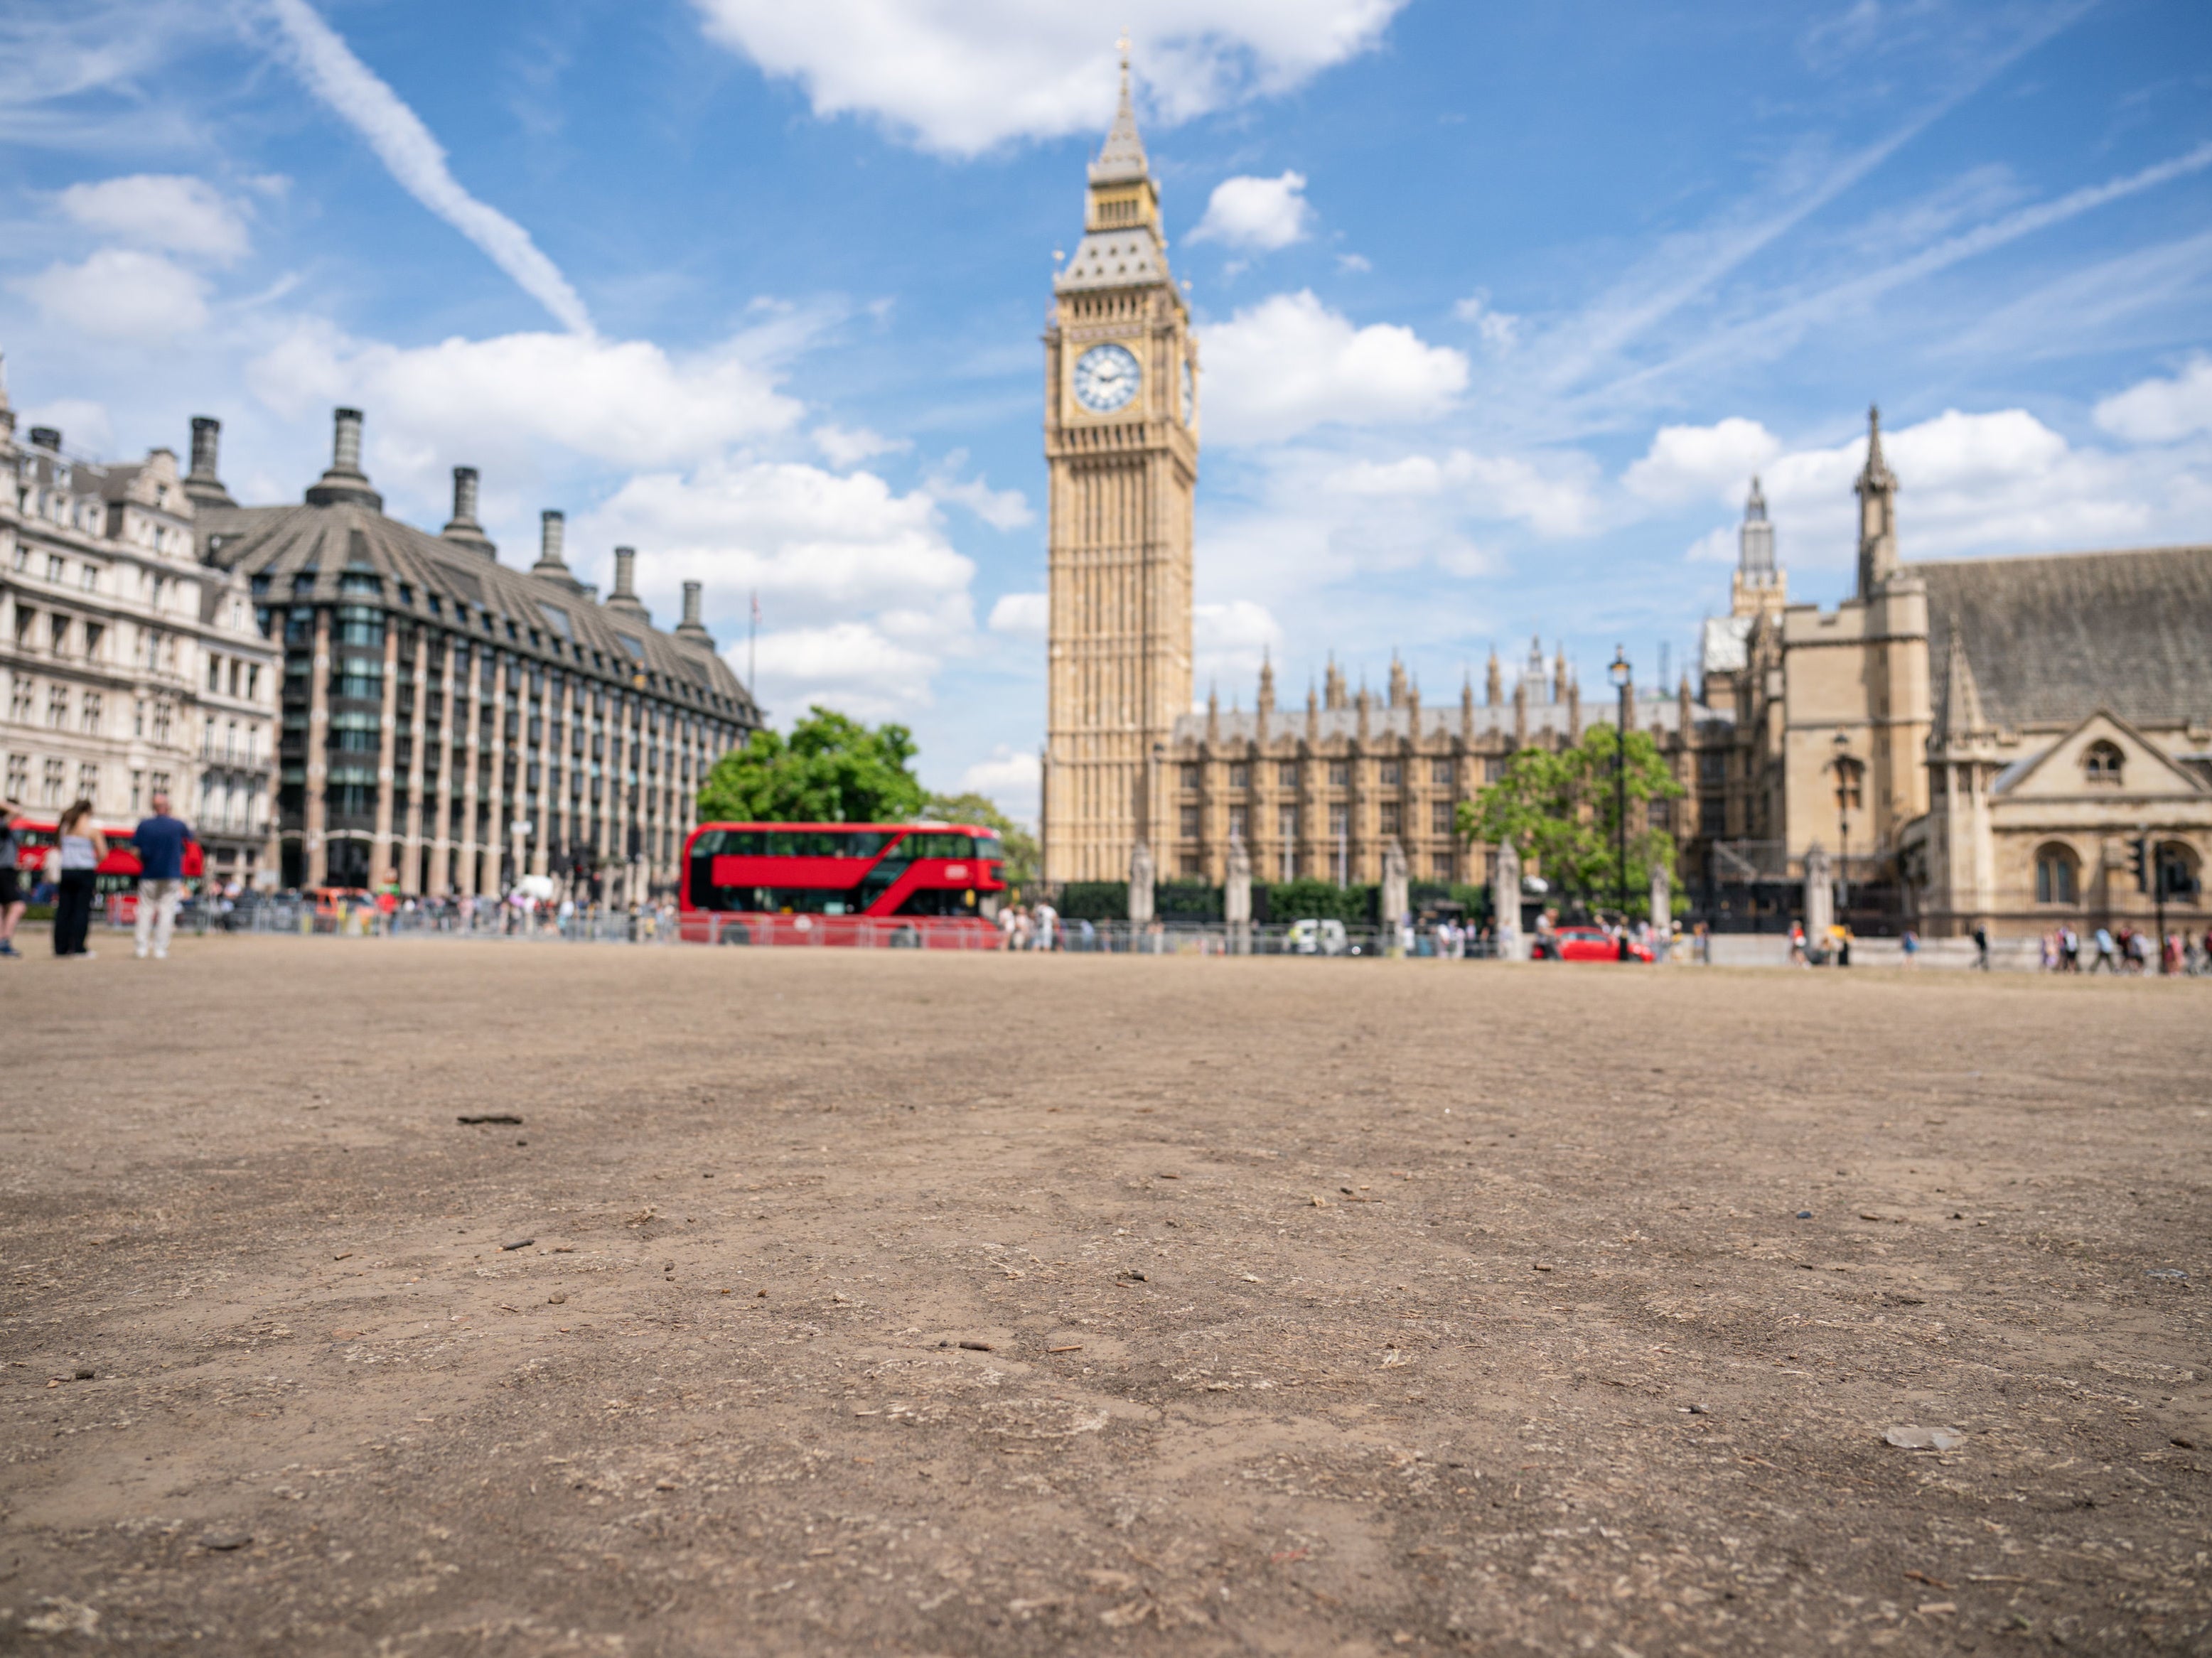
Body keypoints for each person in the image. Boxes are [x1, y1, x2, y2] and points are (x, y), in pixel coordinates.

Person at [129, 789, 191, 960]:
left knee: (145, 910)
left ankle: (141, 948)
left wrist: (145, 860)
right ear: (167, 807)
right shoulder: (177, 825)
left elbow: (135, 850)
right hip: (171, 874)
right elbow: (190, 839)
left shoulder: (145, 825)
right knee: (166, 911)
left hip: (149, 873)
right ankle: (160, 949)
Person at [50, 800, 109, 958]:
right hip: (84, 871)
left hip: (67, 870)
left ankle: (60, 948)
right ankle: (78, 947)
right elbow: (103, 852)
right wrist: (94, 862)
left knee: (64, 909)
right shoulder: (92, 829)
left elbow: (59, 846)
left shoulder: (66, 827)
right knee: (81, 910)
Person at [0, 801, 26, 959]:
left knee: (2, 907)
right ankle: (5, 941)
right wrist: (9, 805)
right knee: (18, 906)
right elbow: (18, 811)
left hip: (6, 870)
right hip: (3, 871)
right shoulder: (3, 824)